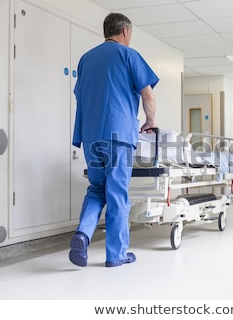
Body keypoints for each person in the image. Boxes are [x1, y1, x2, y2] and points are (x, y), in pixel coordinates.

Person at [69, 13, 159, 267]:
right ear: (126, 31)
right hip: (118, 135)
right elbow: (148, 95)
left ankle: (83, 234)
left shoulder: (86, 59)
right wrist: (150, 121)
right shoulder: (129, 55)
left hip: (90, 136)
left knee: (97, 189)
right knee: (117, 193)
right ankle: (116, 254)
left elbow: (81, 96)